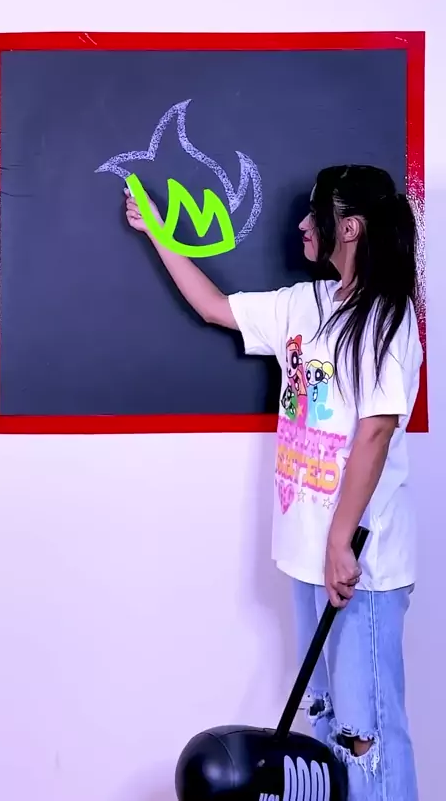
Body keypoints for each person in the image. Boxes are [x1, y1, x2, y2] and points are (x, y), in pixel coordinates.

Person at [125, 164, 422, 801]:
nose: (303, 225)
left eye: (316, 214)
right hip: (309, 555)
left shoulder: (387, 316)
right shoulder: (303, 304)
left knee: (367, 733)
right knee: (328, 722)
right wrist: (155, 230)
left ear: (350, 227)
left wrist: (340, 542)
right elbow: (213, 308)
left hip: (360, 564)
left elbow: (376, 431)